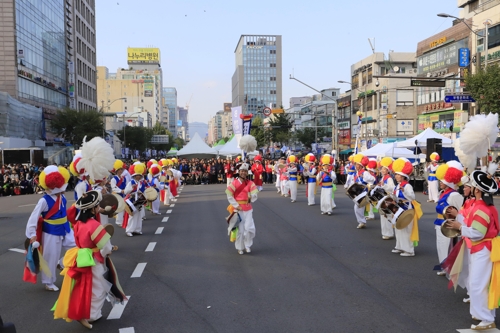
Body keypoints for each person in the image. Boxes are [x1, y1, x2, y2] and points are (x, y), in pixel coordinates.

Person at [53, 190, 127, 329]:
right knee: (99, 288)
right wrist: (110, 250)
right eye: (98, 206)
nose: (100, 208)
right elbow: (105, 247)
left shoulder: (79, 223)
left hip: (81, 256)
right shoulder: (95, 225)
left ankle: (91, 313)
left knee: (86, 287)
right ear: (92, 209)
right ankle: (90, 315)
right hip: (94, 259)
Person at [444, 168, 500, 330]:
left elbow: (477, 233)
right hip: (482, 249)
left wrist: (459, 226)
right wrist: (460, 222)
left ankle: (487, 319)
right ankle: (481, 313)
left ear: (477, 190)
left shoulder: (482, 208)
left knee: (478, 284)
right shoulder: (483, 205)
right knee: (478, 283)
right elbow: (473, 226)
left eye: (472, 186)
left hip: (482, 249)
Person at [25, 166, 75, 291]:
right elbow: (34, 217)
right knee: (51, 255)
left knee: (77, 247)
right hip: (51, 232)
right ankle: (48, 282)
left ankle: (61, 263)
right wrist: (32, 234)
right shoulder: (44, 200)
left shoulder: (62, 197)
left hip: (65, 228)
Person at [434, 161, 465, 275]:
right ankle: (444, 266)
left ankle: (451, 268)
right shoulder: (443, 192)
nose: (440, 182)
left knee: (448, 247)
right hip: (440, 222)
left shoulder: (454, 195)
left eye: (443, 180)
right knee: (441, 246)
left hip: (449, 225)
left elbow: (461, 211)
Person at [391, 157, 422, 257]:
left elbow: (412, 197)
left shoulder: (407, 186)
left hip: (407, 208)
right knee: (398, 227)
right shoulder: (397, 186)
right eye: (396, 174)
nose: (396, 176)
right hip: (398, 207)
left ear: (403, 176)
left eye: (398, 174)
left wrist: (404, 191)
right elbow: (395, 196)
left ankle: (409, 250)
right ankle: (399, 246)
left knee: (406, 229)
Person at [226, 163, 258, 255]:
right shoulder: (234, 183)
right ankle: (240, 247)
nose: (243, 172)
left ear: (247, 173)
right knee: (241, 230)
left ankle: (247, 245)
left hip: (248, 209)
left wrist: (251, 197)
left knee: (249, 228)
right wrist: (236, 205)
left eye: (245, 171)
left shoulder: (250, 183)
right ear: (239, 172)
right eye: (242, 171)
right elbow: (229, 195)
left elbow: (255, 193)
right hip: (238, 210)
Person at [352, 153, 375, 229]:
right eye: (356, 164)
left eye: (357, 164)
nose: (356, 165)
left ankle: (362, 222)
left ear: (361, 165)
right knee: (358, 207)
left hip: (364, 192)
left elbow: (373, 179)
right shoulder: (356, 173)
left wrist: (364, 177)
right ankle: (362, 221)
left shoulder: (365, 172)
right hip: (358, 193)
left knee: (357, 207)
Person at [123, 164, 147, 237]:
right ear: (134, 176)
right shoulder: (131, 182)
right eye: (137, 175)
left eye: (139, 175)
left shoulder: (142, 183)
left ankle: (137, 230)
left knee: (139, 216)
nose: (138, 176)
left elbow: (144, 192)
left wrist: (145, 199)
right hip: (132, 201)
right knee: (132, 216)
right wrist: (131, 188)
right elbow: (125, 191)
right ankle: (129, 230)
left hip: (140, 201)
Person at [377, 157, 395, 240]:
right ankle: (385, 232)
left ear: (388, 171)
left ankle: (389, 233)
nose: (383, 170)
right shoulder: (383, 178)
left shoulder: (389, 178)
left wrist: (384, 185)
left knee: (387, 215)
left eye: (385, 169)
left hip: (388, 198)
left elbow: (392, 188)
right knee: (383, 215)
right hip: (383, 198)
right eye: (382, 169)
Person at [110, 160, 127, 226]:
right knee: (119, 208)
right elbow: (113, 188)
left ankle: (122, 220)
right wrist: (120, 191)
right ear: (116, 171)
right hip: (118, 195)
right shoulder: (113, 179)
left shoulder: (123, 178)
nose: (121, 171)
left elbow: (126, 185)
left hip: (123, 194)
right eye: (119, 170)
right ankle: (119, 221)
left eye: (121, 169)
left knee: (124, 208)